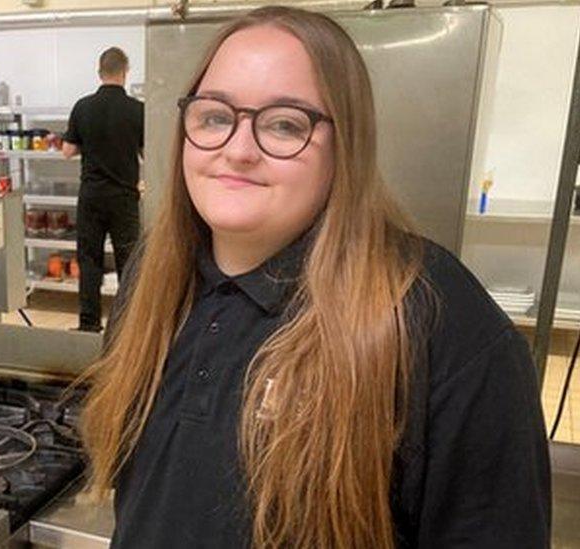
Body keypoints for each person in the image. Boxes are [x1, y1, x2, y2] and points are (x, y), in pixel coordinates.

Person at [79, 7, 550, 549]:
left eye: (285, 124)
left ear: (346, 145)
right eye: (214, 116)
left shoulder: (440, 325)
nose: (237, 149)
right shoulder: (151, 281)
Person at [63, 46, 144, 333]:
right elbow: (149, 154)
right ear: (125, 71)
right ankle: (128, 328)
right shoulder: (138, 110)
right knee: (129, 263)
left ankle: (88, 324)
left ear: (100, 73)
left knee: (89, 261)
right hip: (124, 198)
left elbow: (67, 151)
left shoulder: (83, 107)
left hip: (92, 197)